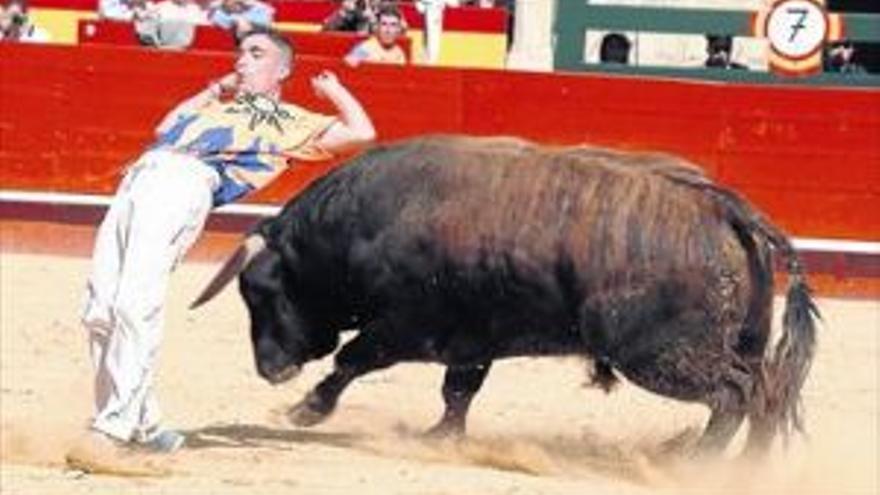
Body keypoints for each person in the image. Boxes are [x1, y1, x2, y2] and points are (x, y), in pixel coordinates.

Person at [65, 27, 375, 470]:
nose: (242, 61)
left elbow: (361, 131)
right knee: (98, 308)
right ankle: (144, 425)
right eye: (240, 53)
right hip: (141, 178)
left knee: (135, 302)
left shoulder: (293, 121)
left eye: (256, 54)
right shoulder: (217, 105)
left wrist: (335, 92)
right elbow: (164, 129)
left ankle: (112, 427)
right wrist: (213, 89)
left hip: (184, 184)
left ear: (283, 69)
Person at [415, 0, 459, 64]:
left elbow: (454, 4)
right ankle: (429, 59)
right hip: (429, 10)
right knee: (429, 38)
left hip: (434, 11)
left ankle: (430, 59)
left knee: (433, 38)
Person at [208, 0, 273, 41]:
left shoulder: (259, 8)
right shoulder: (218, 11)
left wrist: (243, 20)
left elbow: (265, 21)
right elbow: (219, 20)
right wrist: (237, 19)